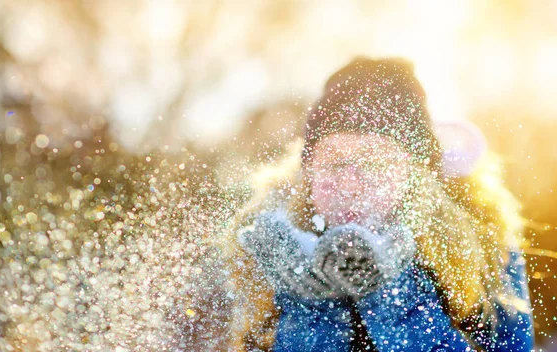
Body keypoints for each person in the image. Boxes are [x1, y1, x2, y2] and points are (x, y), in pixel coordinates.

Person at [222, 57, 534, 351]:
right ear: (308, 175)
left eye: (374, 165)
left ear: (417, 179)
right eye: (334, 163)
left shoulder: (481, 242)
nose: (349, 185)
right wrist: (311, 302)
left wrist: (395, 297)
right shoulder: (270, 247)